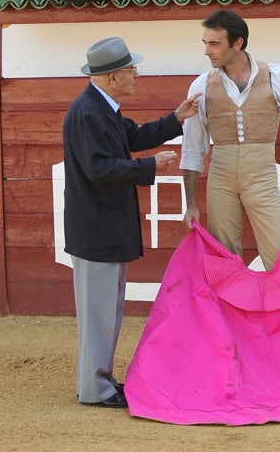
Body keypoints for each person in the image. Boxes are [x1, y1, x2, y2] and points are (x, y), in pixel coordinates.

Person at [63, 36, 200, 408]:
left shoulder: (99, 108)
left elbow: (134, 136)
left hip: (102, 228)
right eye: (130, 70)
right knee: (100, 312)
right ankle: (96, 389)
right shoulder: (88, 112)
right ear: (111, 78)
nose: (135, 75)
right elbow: (99, 168)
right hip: (97, 231)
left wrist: (176, 119)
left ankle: (99, 383)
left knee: (105, 310)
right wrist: (149, 166)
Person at [180, 9, 280, 271]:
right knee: (222, 259)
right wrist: (191, 204)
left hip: (262, 177)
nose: (207, 51)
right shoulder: (200, 85)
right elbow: (193, 149)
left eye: (215, 44)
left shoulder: (278, 77)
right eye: (205, 44)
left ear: (238, 43)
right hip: (220, 178)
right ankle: (229, 314)